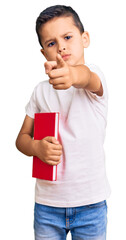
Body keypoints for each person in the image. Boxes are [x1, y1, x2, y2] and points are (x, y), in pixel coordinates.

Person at [16, 5, 111, 240]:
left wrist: (72, 75)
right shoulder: (39, 92)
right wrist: (36, 147)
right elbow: (21, 139)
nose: (61, 47)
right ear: (43, 53)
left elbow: (85, 78)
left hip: (91, 204)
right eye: (51, 43)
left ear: (84, 38)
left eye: (67, 37)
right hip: (47, 205)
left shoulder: (93, 78)